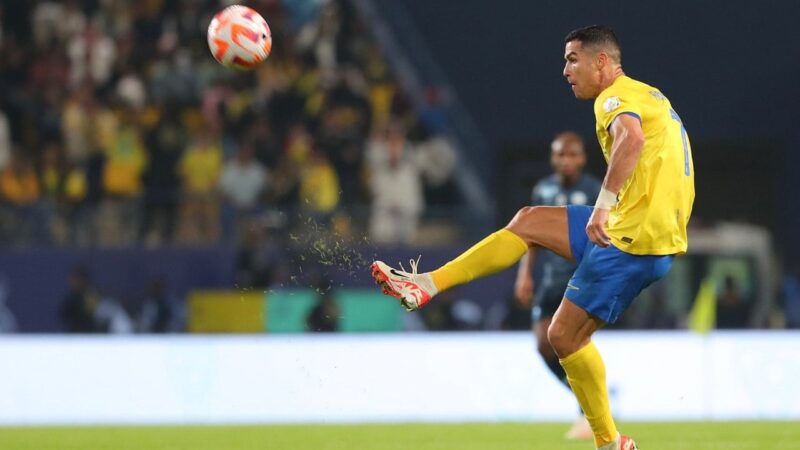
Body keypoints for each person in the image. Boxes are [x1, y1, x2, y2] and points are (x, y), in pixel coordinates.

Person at [371, 25, 695, 450]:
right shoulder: (650, 95)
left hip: (632, 239)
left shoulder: (613, 98)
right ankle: (426, 284)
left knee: (562, 337)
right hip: (640, 228)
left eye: (572, 59)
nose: (564, 70)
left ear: (602, 62)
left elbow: (630, 139)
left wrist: (602, 205)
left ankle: (609, 442)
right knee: (527, 220)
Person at [514, 131, 600, 440]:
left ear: (583, 158)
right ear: (553, 158)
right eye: (560, 155)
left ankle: (589, 413)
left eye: (572, 154)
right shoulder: (544, 189)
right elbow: (532, 236)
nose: (566, 161)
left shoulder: (594, 190)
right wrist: (524, 274)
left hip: (579, 279)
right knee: (542, 344)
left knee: (572, 343)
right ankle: (586, 402)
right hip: (549, 279)